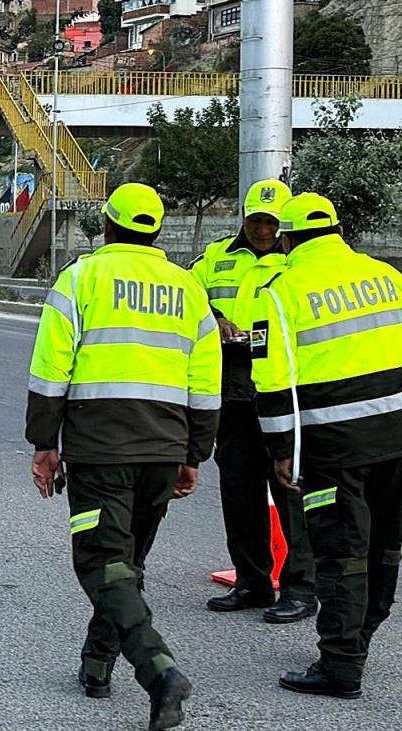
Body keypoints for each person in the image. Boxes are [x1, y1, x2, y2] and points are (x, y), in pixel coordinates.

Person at [25, 183, 221, 730]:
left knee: (102, 562)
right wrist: (194, 453)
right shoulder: (188, 289)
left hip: (100, 448)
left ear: (106, 228)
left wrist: (45, 444)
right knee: (125, 563)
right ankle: (96, 666)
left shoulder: (82, 278)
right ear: (155, 232)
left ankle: (159, 671)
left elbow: (51, 368)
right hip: (163, 448)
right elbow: (206, 382)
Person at [250, 193, 402, 700]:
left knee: (341, 553)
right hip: (396, 438)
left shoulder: (279, 292)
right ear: (338, 229)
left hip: (333, 447)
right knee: (385, 546)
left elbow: (270, 382)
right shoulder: (387, 276)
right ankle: (359, 637)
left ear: (288, 239)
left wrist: (280, 450)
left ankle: (340, 665)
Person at [191, 179, 317, 623]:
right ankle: (252, 581)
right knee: (239, 492)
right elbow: (189, 296)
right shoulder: (216, 257)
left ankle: (301, 588)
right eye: (255, 221)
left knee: (292, 492)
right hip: (233, 391)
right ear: (243, 219)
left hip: (283, 392)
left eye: (270, 222)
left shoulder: (298, 261)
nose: (262, 230)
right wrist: (216, 317)